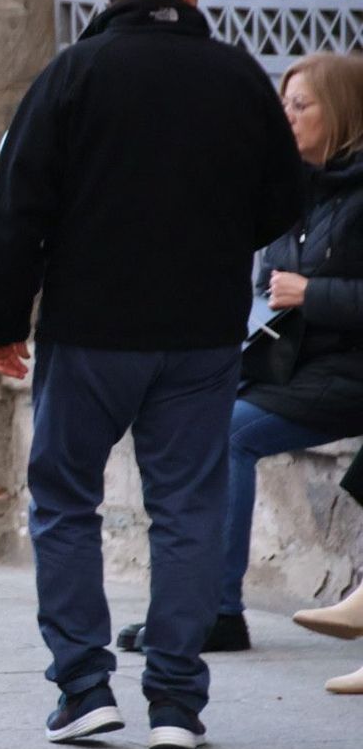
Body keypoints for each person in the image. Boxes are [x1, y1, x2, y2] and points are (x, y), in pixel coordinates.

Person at [0, 0, 305, 749]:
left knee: (64, 501)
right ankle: (177, 704)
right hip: (200, 335)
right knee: (187, 508)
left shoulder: (71, 78)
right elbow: (284, 198)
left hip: (91, 333)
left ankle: (84, 686)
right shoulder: (237, 77)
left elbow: (18, 207)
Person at [116, 52, 363, 662]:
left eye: (300, 105)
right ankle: (183, 605)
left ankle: (218, 612)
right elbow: (259, 282)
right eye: (283, 103)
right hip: (287, 364)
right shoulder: (287, 188)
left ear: (341, 113)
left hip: (348, 371)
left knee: (227, 435)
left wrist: (313, 294)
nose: (287, 116)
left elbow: (302, 288)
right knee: (183, 418)